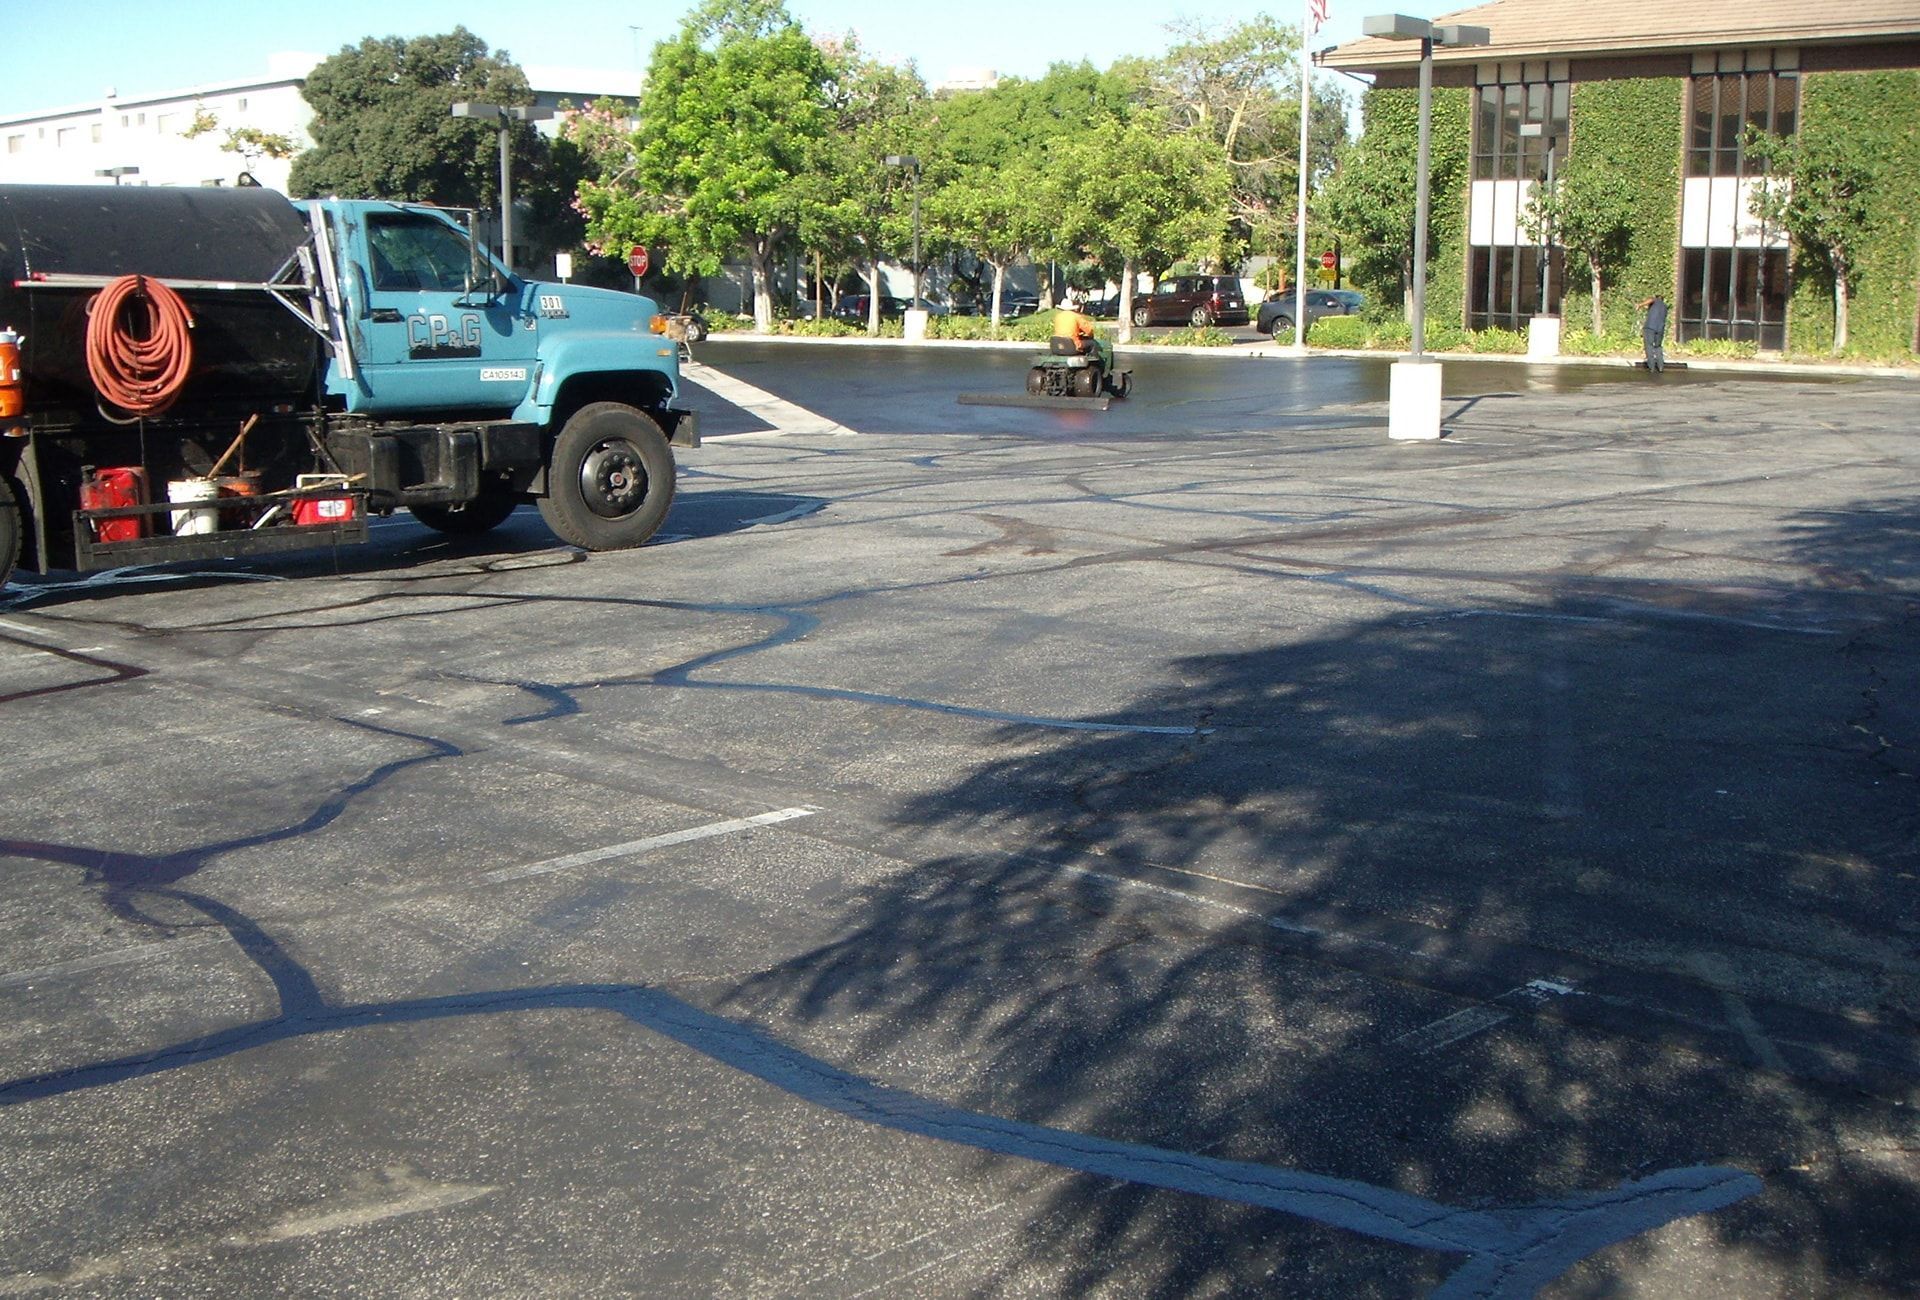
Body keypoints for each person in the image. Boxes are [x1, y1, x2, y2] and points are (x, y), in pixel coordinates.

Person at [1051, 305, 1113, 377]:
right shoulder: (1076, 316)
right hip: (1071, 346)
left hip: (1056, 345)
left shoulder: (1058, 316)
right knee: (1093, 343)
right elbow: (1089, 330)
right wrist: (1089, 335)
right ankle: (1096, 368)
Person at [1638, 294, 1669, 373]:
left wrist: (1640, 305)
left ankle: (1651, 367)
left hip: (1650, 328)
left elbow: (1651, 299)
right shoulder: (1665, 307)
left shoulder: (1655, 301)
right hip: (1660, 329)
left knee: (1649, 346)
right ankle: (1661, 367)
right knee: (1658, 347)